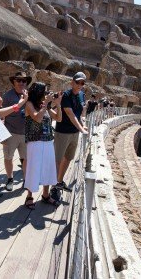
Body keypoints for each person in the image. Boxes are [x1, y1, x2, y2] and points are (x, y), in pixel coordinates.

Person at [24, 82, 62, 209]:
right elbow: (37, 118)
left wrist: (58, 104)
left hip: (47, 141)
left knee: (48, 168)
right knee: (33, 168)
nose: (46, 94)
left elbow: (58, 118)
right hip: (35, 141)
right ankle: (29, 196)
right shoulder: (29, 104)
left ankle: (45, 194)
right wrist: (46, 104)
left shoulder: (43, 105)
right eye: (44, 92)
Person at [53, 71, 88, 201]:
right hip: (63, 131)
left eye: (82, 83)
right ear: (72, 82)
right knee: (58, 159)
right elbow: (70, 114)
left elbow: (80, 114)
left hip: (74, 133)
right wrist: (81, 128)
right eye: (78, 82)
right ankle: (53, 187)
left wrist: (82, 125)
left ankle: (60, 181)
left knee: (68, 158)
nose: (79, 85)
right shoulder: (66, 95)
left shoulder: (82, 95)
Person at [2, 71, 32, 191]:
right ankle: (10, 178)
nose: (21, 83)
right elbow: (3, 114)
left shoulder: (29, 95)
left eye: (23, 81)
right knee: (8, 157)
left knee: (26, 158)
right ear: (13, 82)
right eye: (18, 80)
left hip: (25, 133)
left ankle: (26, 179)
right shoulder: (8, 96)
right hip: (11, 132)